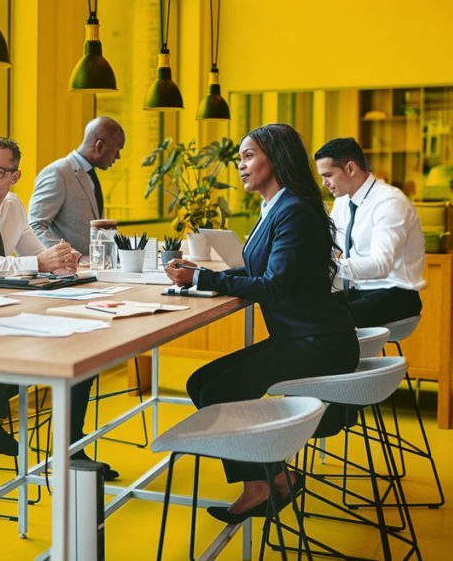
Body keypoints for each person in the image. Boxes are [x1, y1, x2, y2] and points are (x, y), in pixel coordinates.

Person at [164, 123, 359, 523]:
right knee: (202, 383)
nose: (241, 165)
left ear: (277, 157)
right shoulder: (278, 206)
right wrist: (203, 273)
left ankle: (260, 484)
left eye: (249, 156)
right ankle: (274, 477)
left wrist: (201, 279)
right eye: (239, 158)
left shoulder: (295, 211)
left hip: (318, 342)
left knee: (217, 386)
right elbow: (264, 269)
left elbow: (275, 284)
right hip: (303, 335)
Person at [0, 136, 119, 480]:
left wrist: (62, 261)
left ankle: (70, 451)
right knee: (39, 346)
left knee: (78, 352)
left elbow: (35, 252)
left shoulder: (13, 206)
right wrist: (37, 261)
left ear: (15, 176)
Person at [314, 137, 425, 326]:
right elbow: (331, 246)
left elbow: (381, 265)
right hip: (360, 290)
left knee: (327, 319)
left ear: (350, 168)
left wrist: (329, 266)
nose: (324, 183)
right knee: (304, 309)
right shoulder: (343, 201)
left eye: (328, 175)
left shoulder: (389, 201)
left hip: (396, 293)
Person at [28, 116, 126, 252]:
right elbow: (34, 226)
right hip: (67, 270)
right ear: (99, 146)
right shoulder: (58, 173)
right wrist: (73, 257)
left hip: (91, 269)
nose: (118, 157)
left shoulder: (90, 174)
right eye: (117, 150)